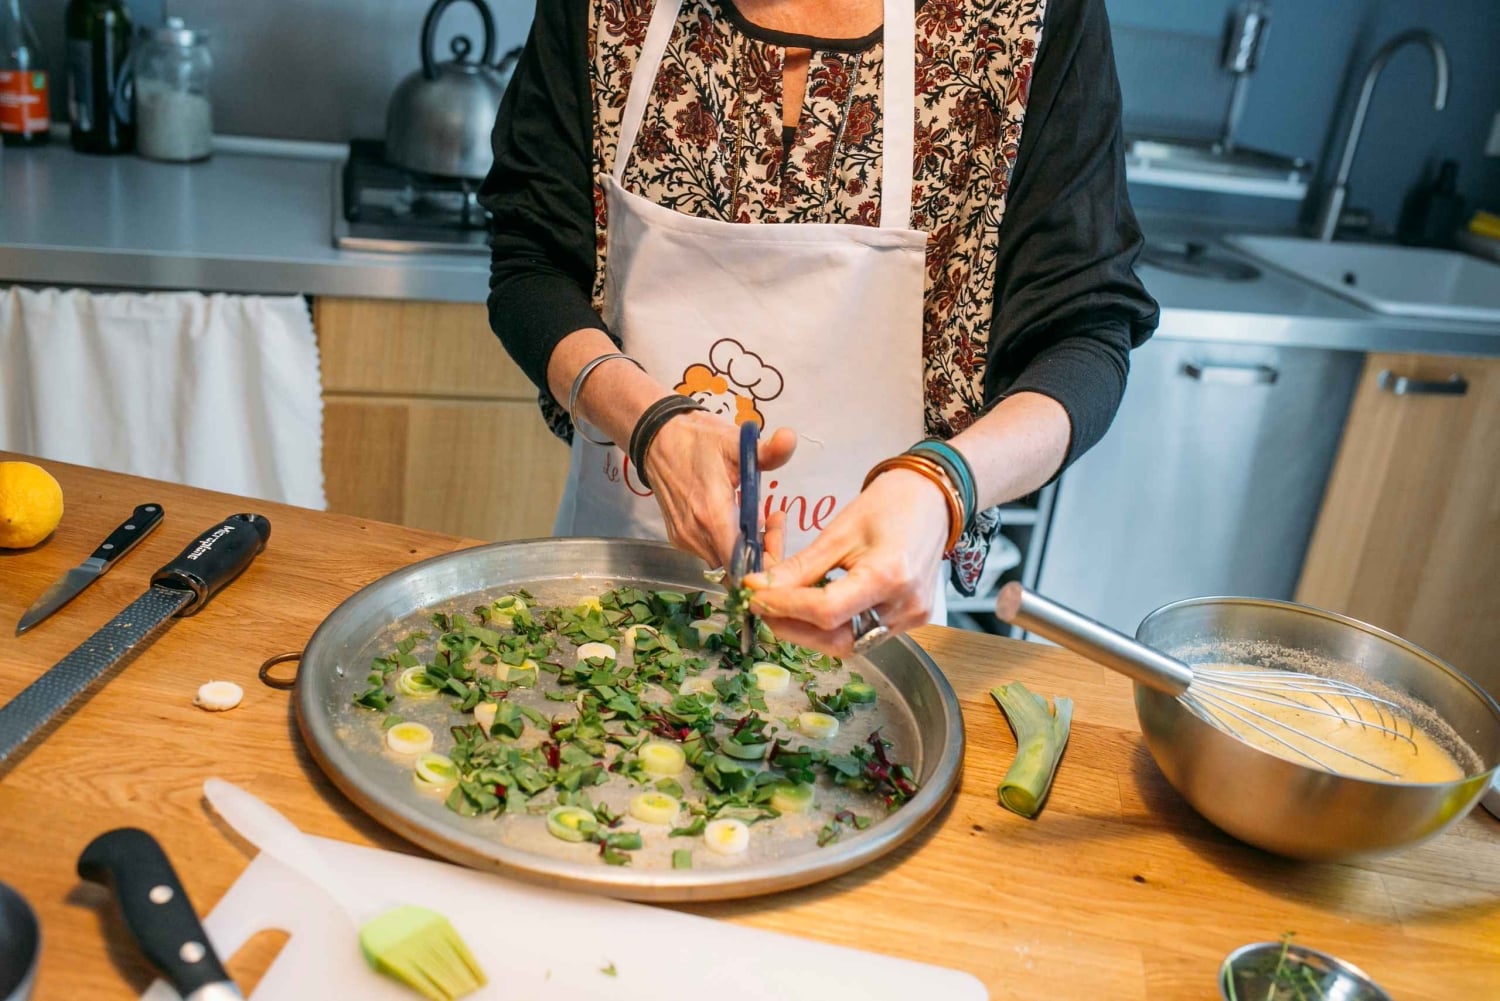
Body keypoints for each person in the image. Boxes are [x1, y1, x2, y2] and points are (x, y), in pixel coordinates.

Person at [480, 0, 1158, 655]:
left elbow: (1084, 336)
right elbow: (531, 264)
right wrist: (650, 425)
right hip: (609, 605)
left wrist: (942, 485)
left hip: (869, 639)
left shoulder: (1023, 15)